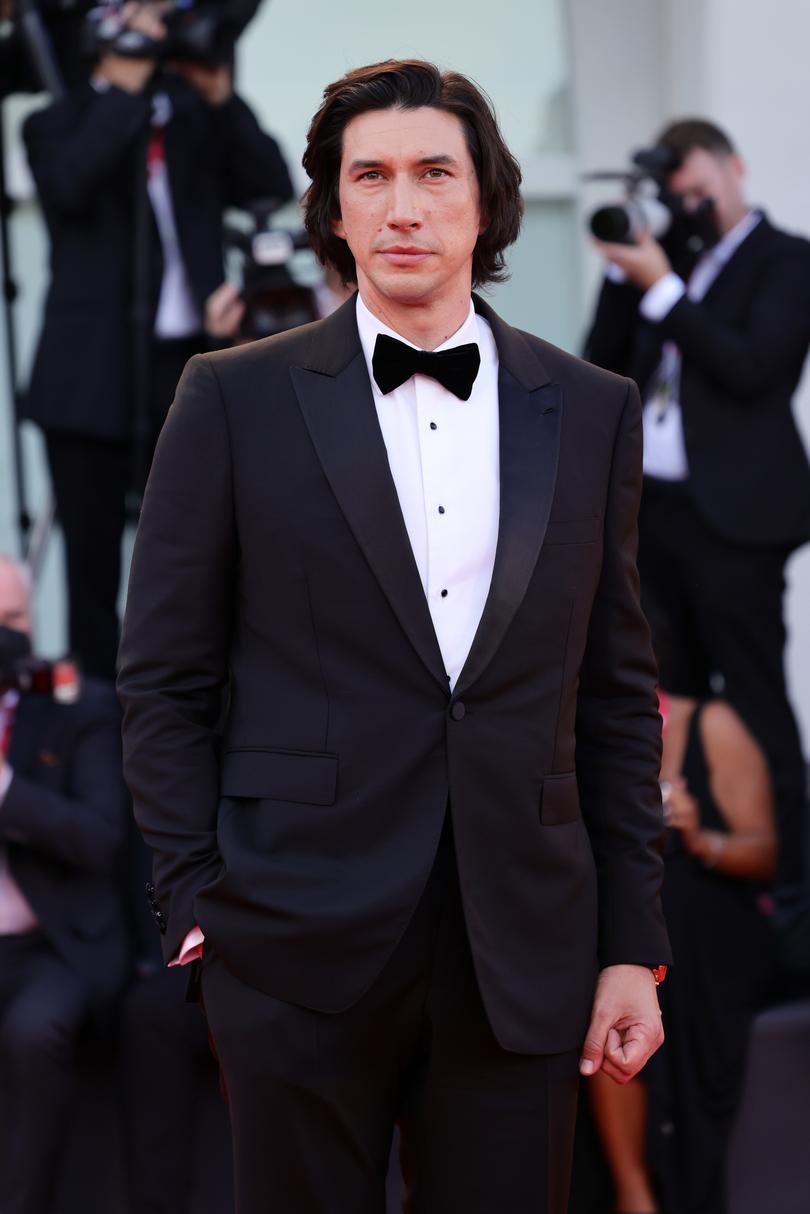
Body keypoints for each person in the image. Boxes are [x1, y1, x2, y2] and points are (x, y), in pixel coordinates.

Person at [118, 59, 671, 1214]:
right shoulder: (229, 397)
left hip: (522, 943)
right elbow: (164, 675)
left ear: (486, 202)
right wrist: (194, 893)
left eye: (433, 173)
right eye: (369, 176)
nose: (402, 205)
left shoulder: (593, 407)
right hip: (289, 937)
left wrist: (632, 942)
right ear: (332, 207)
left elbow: (616, 695)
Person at [22, 0, 294, 680]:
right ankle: (99, 728)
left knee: (195, 554)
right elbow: (72, 185)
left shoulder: (194, 118)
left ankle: (192, 703)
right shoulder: (52, 122)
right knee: (93, 571)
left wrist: (221, 99)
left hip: (187, 364)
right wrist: (122, 87)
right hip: (87, 378)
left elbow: (271, 182)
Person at [584, 118, 810, 899]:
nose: (690, 211)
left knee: (754, 698)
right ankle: (672, 864)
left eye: (699, 193)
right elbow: (600, 369)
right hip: (655, 512)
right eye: (676, 200)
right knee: (659, 695)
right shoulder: (661, 263)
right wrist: (625, 271)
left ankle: (790, 892)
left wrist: (664, 290)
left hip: (738, 522)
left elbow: (754, 370)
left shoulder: (788, 260)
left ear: (735, 168)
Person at [588, 693, 777, 1214]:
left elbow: (765, 854)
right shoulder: (569, 721)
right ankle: (634, 1185)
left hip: (707, 924)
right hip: (623, 921)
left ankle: (654, 1179)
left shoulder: (710, 723)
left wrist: (699, 839)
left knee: (662, 911)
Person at [0, 553, 130, 1213]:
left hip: (53, 945)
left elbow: (102, 836)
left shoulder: (67, 689)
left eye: (15, 617)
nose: (6, 636)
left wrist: (7, 791)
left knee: (35, 1032)